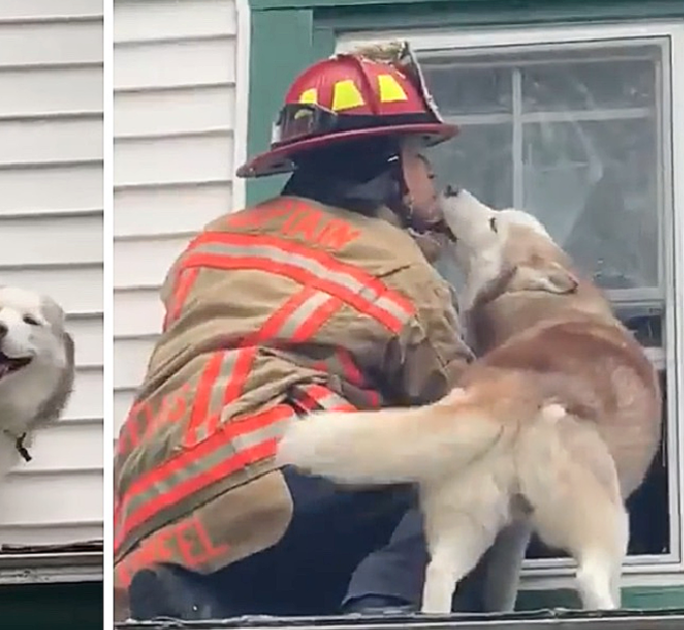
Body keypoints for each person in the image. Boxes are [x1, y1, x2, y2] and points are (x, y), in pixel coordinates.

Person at [114, 42, 483, 619]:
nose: (432, 173)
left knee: (295, 543)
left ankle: (202, 601)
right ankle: (383, 608)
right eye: (417, 154)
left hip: (154, 507)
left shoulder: (216, 241)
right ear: (384, 170)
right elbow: (462, 407)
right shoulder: (394, 262)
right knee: (483, 461)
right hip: (275, 467)